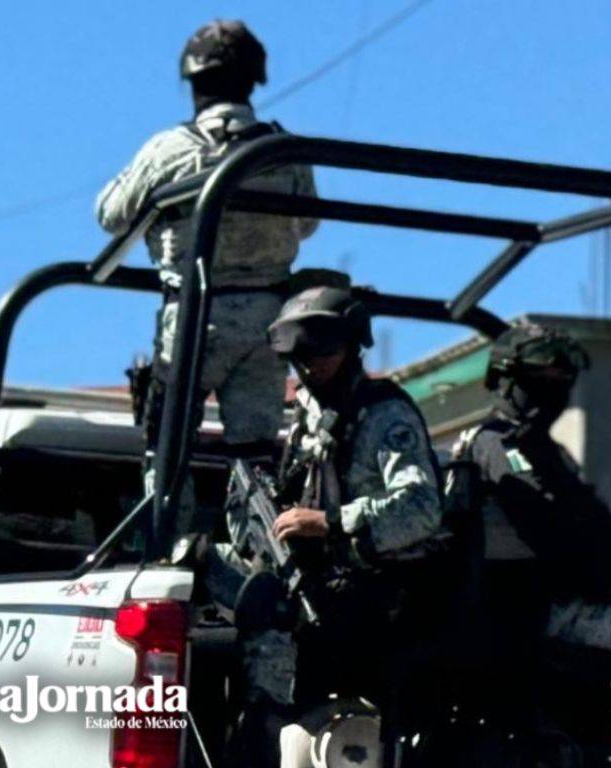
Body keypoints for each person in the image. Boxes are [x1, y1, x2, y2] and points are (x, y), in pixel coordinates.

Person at [456, 323, 611, 767]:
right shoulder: (499, 445)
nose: (555, 391)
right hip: (532, 613)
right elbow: (555, 529)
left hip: (554, 605)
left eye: (562, 381)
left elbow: (594, 531)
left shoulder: (545, 451)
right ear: (508, 379)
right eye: (541, 380)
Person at [96, 19, 319, 471]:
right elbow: (308, 224)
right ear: (255, 80)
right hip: (267, 321)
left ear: (193, 81)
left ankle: (171, 538)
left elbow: (110, 215)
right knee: (257, 461)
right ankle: (256, 536)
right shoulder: (283, 150)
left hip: (193, 320)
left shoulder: (167, 149)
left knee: (165, 454)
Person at [249, 285, 446, 765]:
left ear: (352, 345)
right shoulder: (308, 415)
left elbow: (422, 508)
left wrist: (332, 523)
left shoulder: (384, 413)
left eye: (324, 351)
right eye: (302, 355)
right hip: (325, 587)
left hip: (382, 595)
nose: (312, 363)